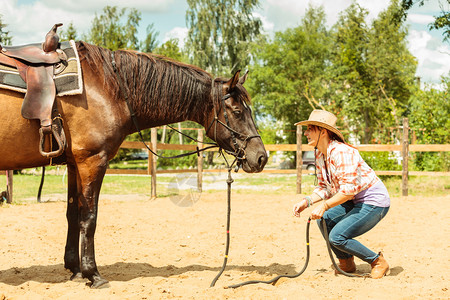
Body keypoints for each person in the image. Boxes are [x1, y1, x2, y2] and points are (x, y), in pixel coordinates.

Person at [292, 109, 390, 279]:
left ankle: (377, 261)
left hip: (373, 202)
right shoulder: (320, 155)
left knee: (337, 236)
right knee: (324, 220)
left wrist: (324, 205)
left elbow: (348, 190)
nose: (306, 133)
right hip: (353, 199)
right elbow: (324, 187)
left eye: (310, 129)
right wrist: (307, 201)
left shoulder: (342, 152)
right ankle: (346, 262)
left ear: (323, 132)